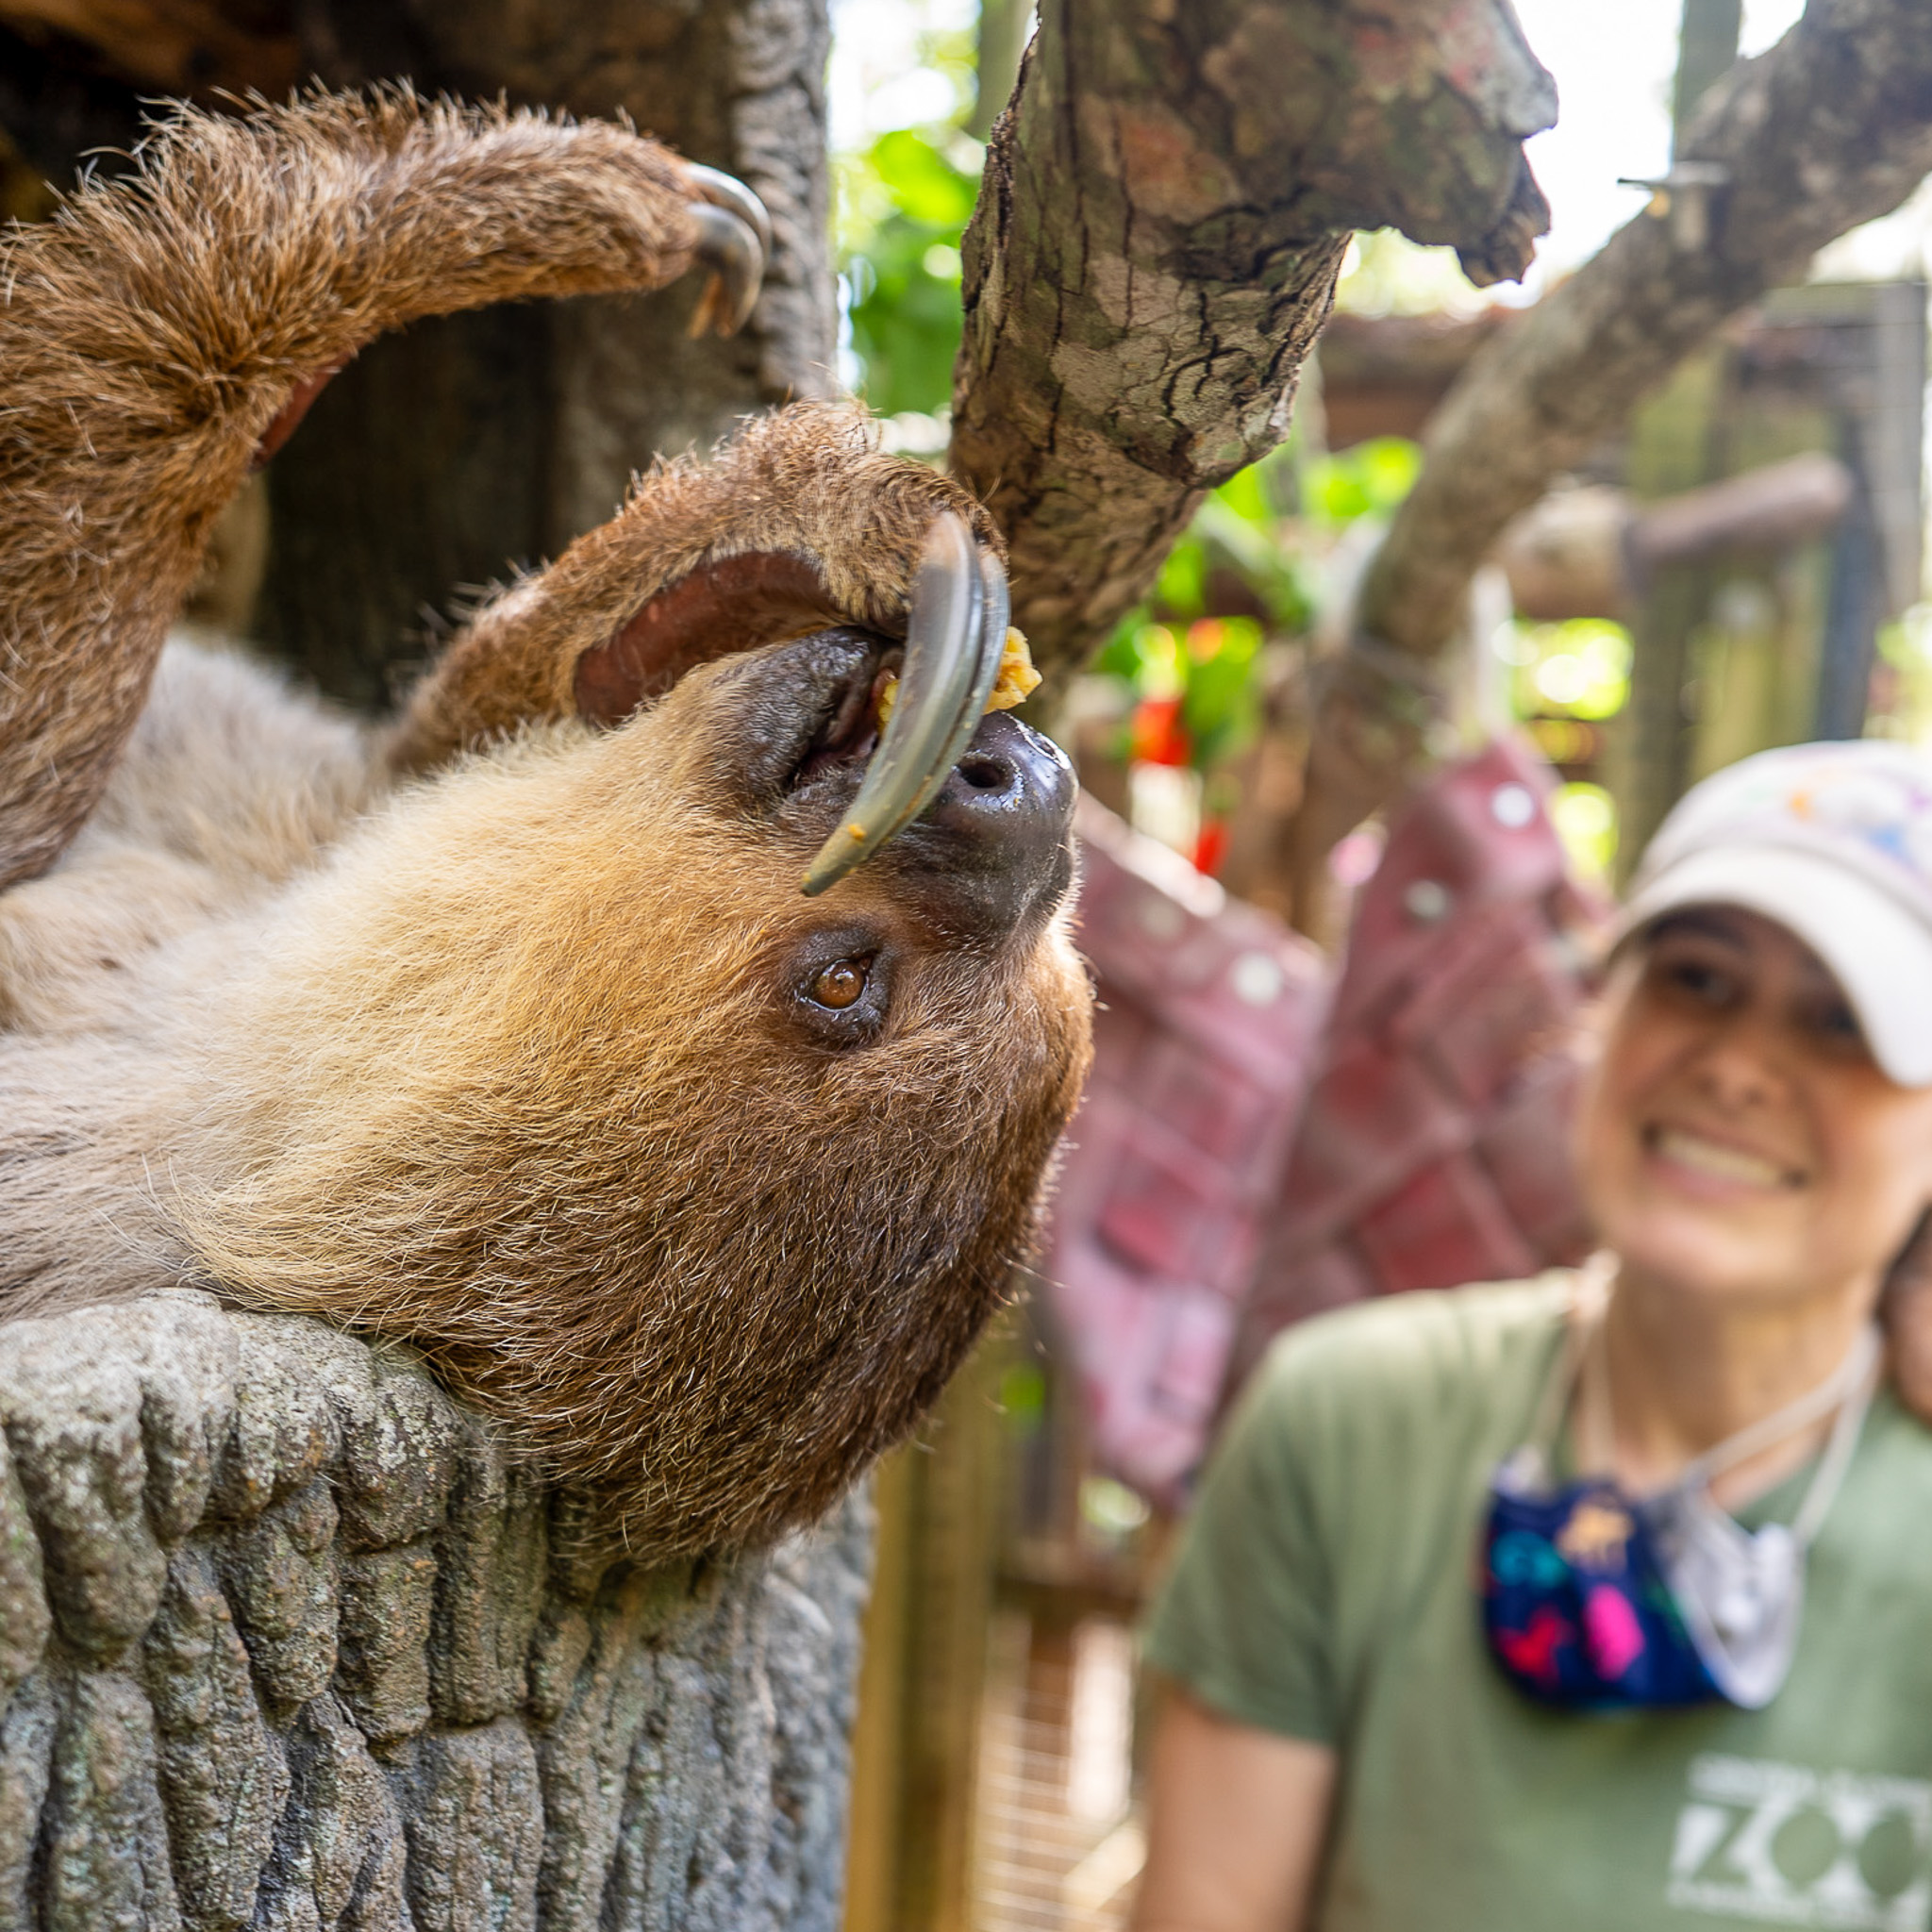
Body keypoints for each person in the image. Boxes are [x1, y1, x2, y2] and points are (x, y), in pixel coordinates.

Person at [1134, 740, 1932, 1932]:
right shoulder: (1352, 1421)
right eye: (1698, 979)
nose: (1734, 1066)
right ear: (1596, 1015)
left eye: (1836, 1021)